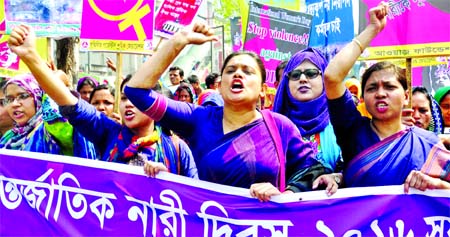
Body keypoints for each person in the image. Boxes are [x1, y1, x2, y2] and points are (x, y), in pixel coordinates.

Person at [123, 22, 337, 201]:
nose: (238, 75)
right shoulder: (198, 119)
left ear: (263, 89)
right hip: (211, 224)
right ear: (220, 84)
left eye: (248, 71)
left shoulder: (280, 126)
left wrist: (284, 195)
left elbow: (311, 171)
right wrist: (178, 41)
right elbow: (136, 92)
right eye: (231, 70)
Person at [8, 24, 198, 179]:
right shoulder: (108, 133)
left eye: (135, 99)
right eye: (123, 98)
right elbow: (70, 103)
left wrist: (170, 182)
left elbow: (196, 199)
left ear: (155, 106)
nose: (128, 104)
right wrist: (30, 56)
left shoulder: (177, 149)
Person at [323, 2, 449, 192]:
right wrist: (373, 29)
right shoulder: (352, 131)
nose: (381, 93)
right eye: (372, 88)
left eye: (389, 87)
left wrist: (438, 185)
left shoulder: (428, 142)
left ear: (406, 96)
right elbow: (332, 76)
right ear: (363, 98)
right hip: (361, 222)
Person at [273, 47, 343, 176]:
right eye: (295, 75)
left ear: (324, 78)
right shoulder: (272, 126)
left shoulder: (342, 122)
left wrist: (339, 178)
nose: (303, 79)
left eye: (311, 73)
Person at [0, 73, 96, 158]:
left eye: (23, 96)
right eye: (9, 99)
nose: (14, 104)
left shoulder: (53, 126)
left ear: (38, 96)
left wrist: (51, 84)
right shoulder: (10, 137)